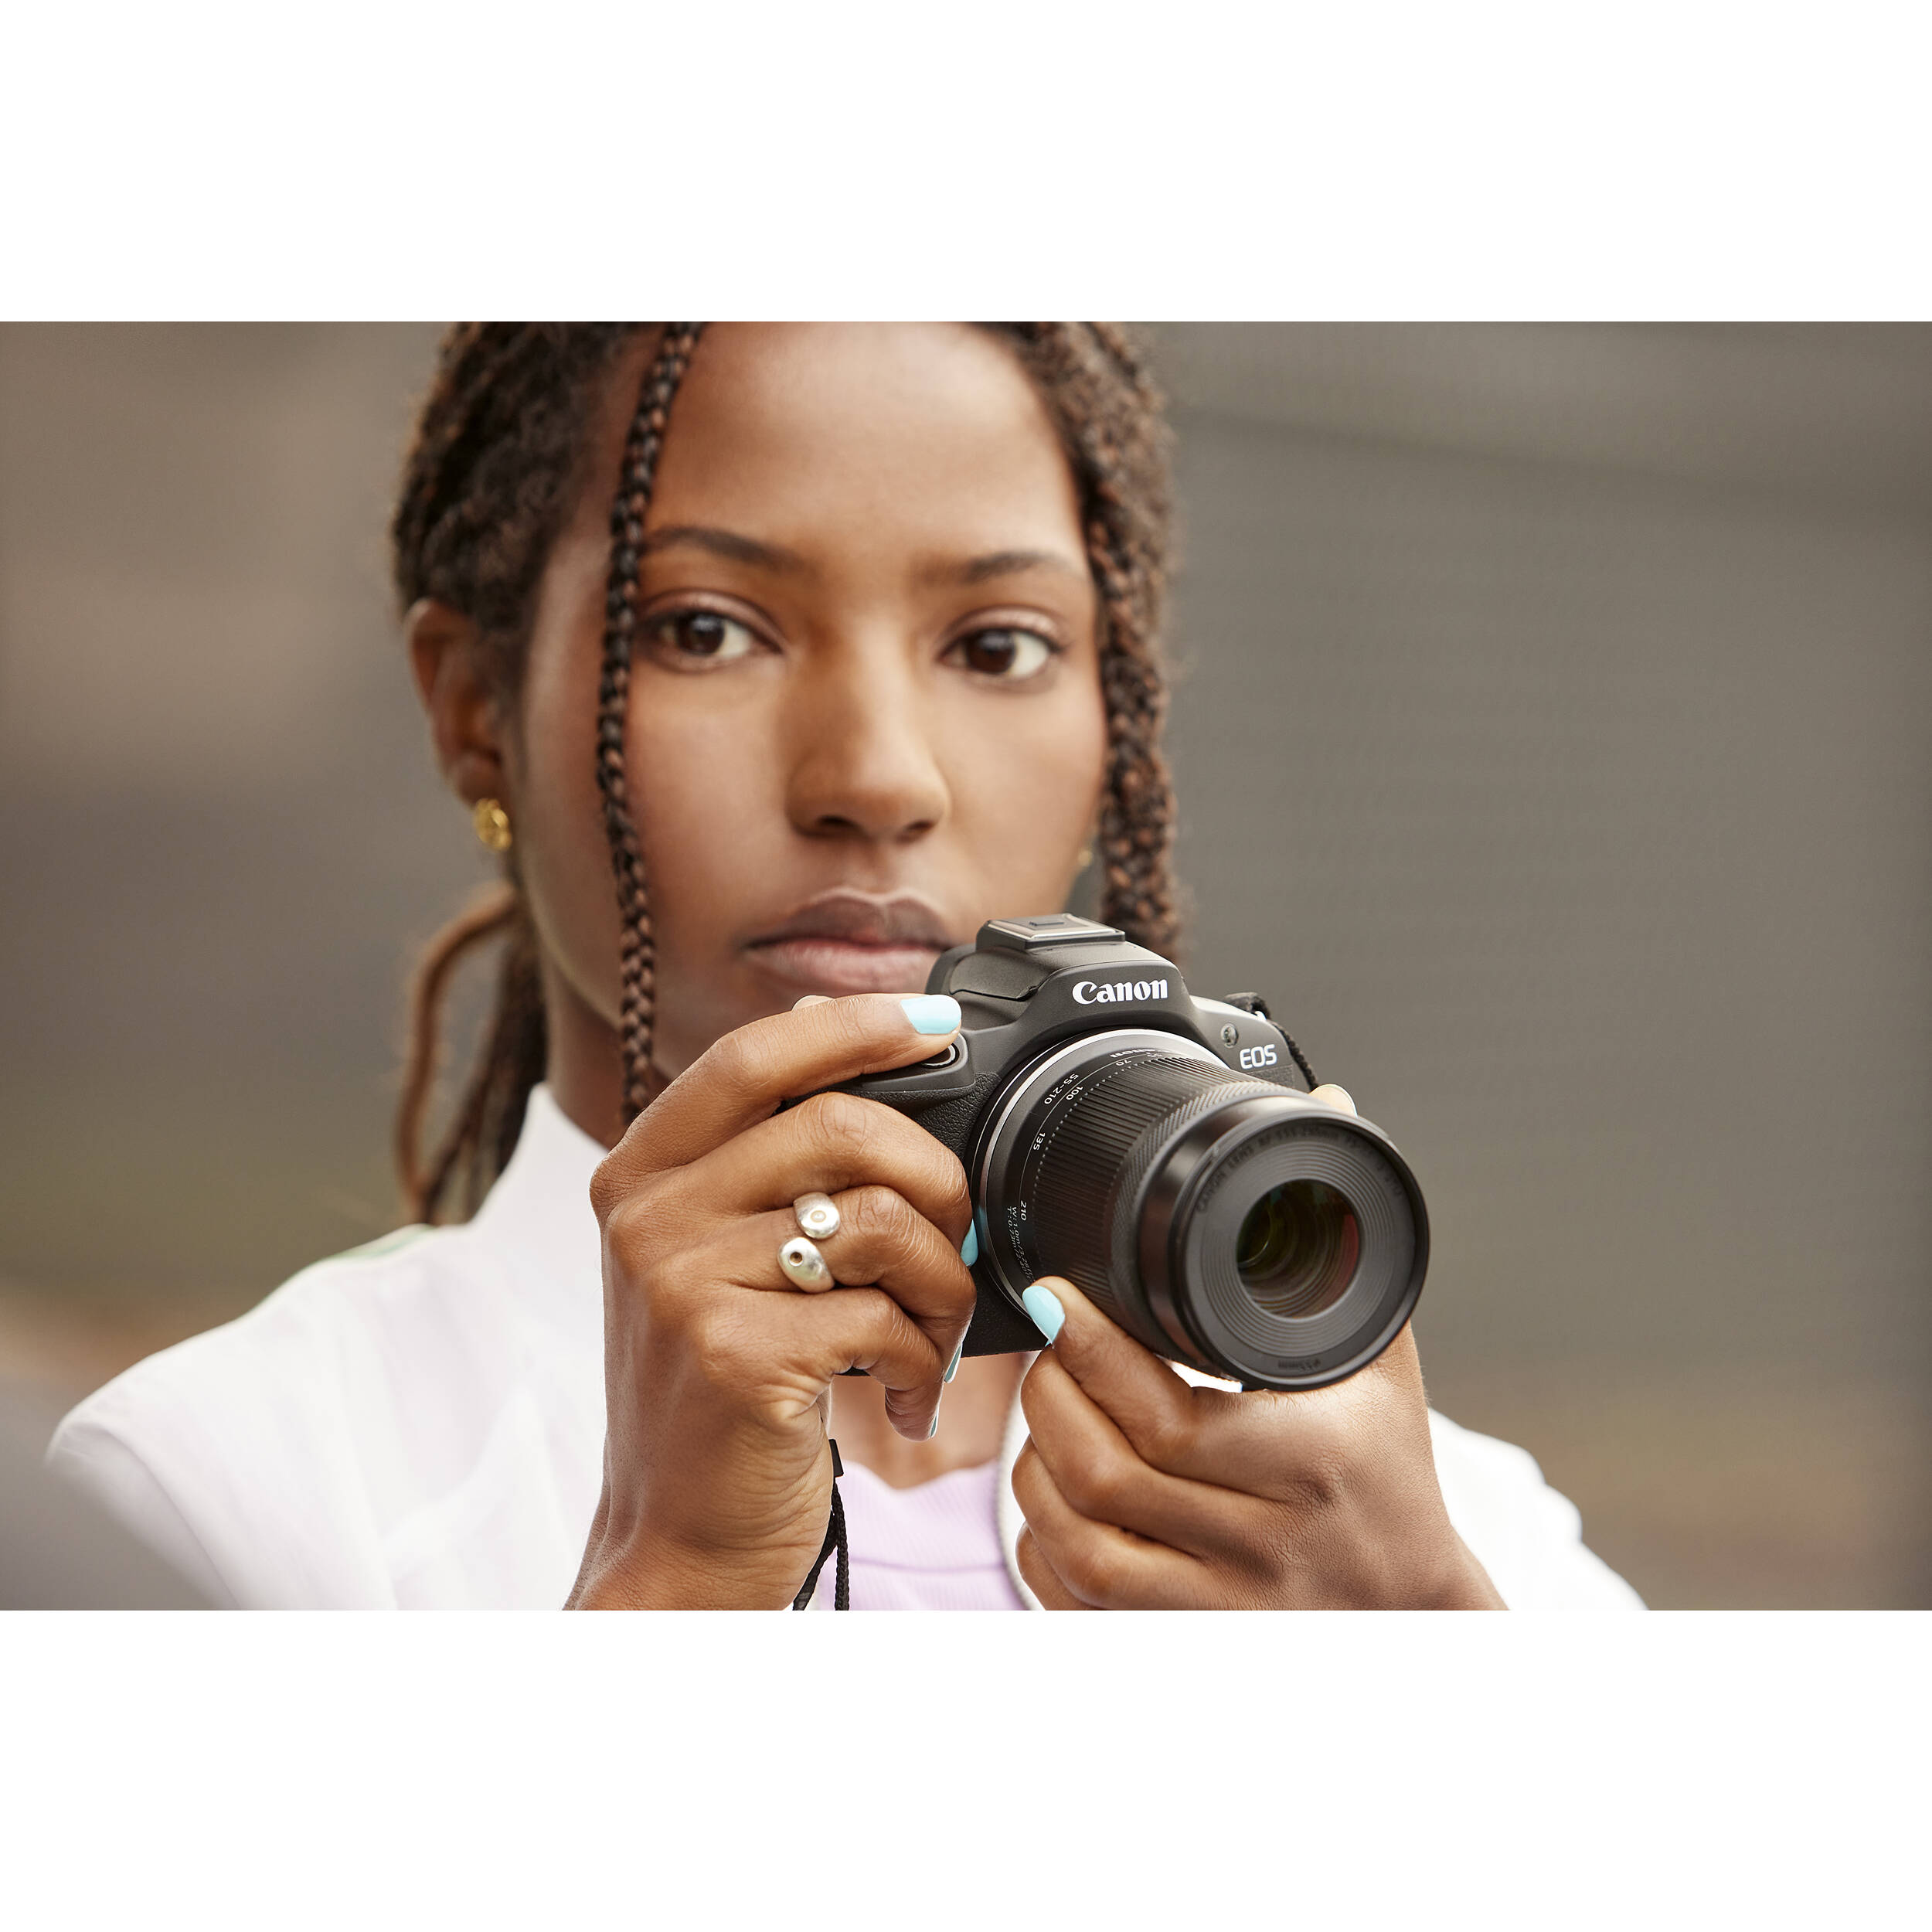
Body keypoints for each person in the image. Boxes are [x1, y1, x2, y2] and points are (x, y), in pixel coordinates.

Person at [48, 323, 1640, 1610]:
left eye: (997, 645)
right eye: (707, 628)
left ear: (1118, 718)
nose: (877, 775)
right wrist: (669, 1588)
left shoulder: (1469, 1546)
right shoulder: (209, 1498)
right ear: (474, 706)